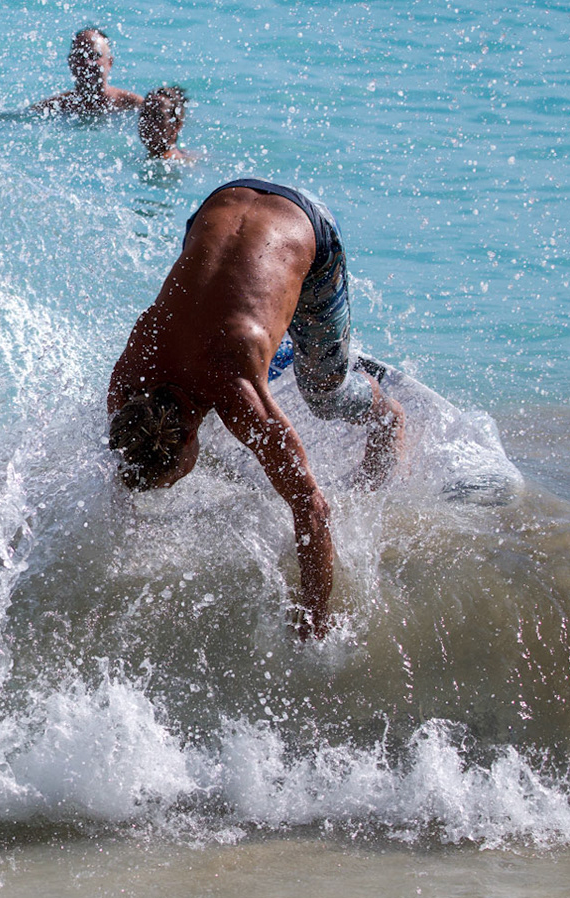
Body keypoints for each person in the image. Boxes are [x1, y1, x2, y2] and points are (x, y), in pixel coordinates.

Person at [106, 179, 404, 637]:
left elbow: (312, 510)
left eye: (175, 475)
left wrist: (313, 624)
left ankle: (383, 410)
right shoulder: (132, 371)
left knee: (324, 395)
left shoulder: (237, 393)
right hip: (220, 201)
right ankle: (285, 343)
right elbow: (122, 449)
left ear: (190, 438)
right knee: (239, 325)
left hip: (308, 225)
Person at [28, 29, 143, 117]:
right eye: (80, 56)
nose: (88, 62)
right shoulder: (52, 108)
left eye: (94, 56)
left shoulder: (134, 106)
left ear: (110, 62)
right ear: (70, 62)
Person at [138, 86, 193, 161]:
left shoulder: (168, 164)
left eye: (158, 116)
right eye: (144, 115)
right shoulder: (184, 156)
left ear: (176, 126)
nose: (148, 123)